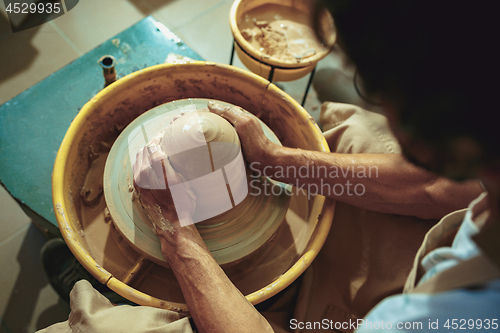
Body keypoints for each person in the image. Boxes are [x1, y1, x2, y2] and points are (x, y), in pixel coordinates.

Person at [38, 0, 499, 332]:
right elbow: (435, 188)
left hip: (358, 322)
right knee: (356, 135)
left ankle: (111, 301)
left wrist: (175, 234)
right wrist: (278, 160)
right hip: (440, 258)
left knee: (106, 329)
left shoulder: (455, 318)